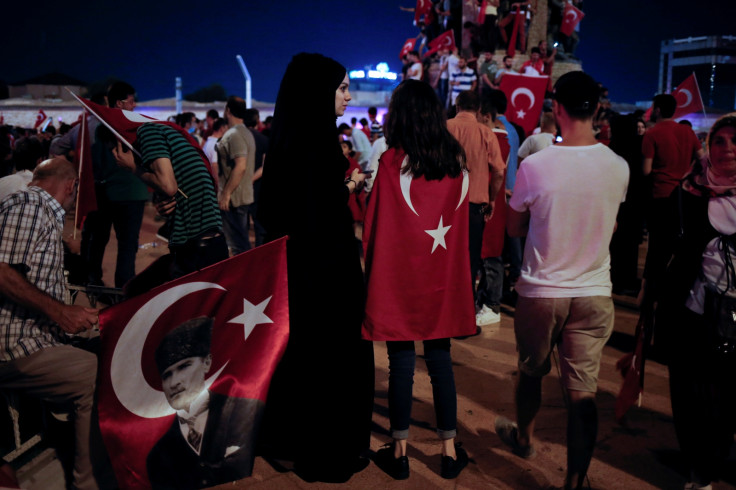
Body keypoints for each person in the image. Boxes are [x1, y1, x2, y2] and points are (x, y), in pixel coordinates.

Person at [497, 71, 629, 490]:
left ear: (557, 109)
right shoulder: (618, 166)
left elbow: (515, 228)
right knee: (583, 393)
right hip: (594, 293)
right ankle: (575, 480)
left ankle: (524, 438)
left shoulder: (536, 165)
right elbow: (610, 226)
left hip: (542, 292)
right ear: (598, 109)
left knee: (531, 372)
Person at [256, 53, 374, 483]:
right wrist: (347, 187)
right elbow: (320, 211)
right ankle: (327, 452)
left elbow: (277, 208)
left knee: (297, 360)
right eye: (341, 89)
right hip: (326, 278)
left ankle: (287, 441)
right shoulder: (319, 144)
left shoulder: (286, 141)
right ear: (318, 94)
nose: (348, 96)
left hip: (296, 274)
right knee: (329, 364)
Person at [363, 79, 474, 480]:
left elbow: (374, 225)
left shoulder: (393, 162)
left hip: (400, 278)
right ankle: (447, 450)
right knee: (441, 360)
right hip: (442, 278)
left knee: (401, 364)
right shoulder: (456, 162)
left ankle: (401, 451)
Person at [0, 158, 102, 490]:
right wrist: (60, 313)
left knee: (109, 345)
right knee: (95, 374)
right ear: (71, 186)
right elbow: (2, 272)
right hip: (15, 348)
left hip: (35, 338)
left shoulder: (36, 209)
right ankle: (87, 483)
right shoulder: (31, 203)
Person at [654, 114, 736, 490]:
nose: (727, 149)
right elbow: (663, 246)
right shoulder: (688, 192)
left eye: (735, 142)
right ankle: (699, 470)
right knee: (693, 395)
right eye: (719, 141)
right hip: (695, 311)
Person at [146, 317, 262, 489]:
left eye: (184, 366)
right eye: (167, 375)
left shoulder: (245, 411)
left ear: (207, 362)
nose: (174, 382)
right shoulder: (158, 454)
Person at [447, 90, 505, 321]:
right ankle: (463, 315)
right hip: (474, 207)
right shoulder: (485, 133)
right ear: (479, 109)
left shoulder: (444, 127)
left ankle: (440, 310)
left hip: (444, 207)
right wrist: (492, 198)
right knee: (469, 261)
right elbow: (499, 171)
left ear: (456, 105)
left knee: (442, 257)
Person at [641, 94, 704, 303]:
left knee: (657, 247)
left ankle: (650, 293)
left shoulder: (652, 134)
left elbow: (646, 170)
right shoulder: (687, 131)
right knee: (679, 245)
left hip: (660, 196)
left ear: (657, 110)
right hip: (684, 198)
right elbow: (702, 160)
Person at [217, 96, 256, 255]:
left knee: (238, 245)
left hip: (234, 199)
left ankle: (249, 277)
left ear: (228, 111)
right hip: (240, 196)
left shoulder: (234, 135)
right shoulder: (245, 132)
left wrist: (226, 193)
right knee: (240, 242)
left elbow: (240, 166)